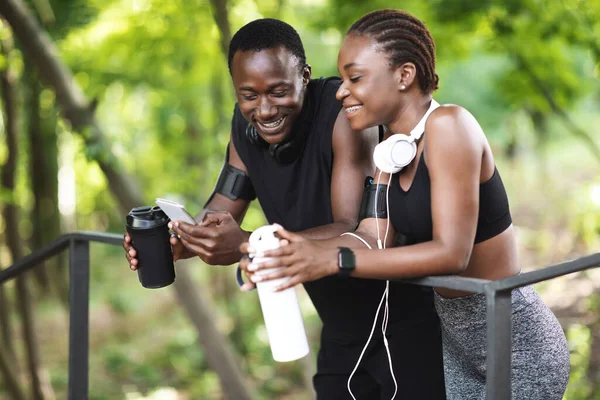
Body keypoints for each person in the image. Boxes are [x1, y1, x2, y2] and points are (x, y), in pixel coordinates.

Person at [240, 9, 571, 400]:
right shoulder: (389, 156)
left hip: (513, 343)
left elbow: (452, 254)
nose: (341, 92)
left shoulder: (450, 126)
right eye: (342, 79)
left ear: (404, 75)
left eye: (355, 78)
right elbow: (370, 238)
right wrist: (291, 254)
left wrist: (332, 261)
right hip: (459, 348)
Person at [123, 18, 446, 399]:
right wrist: (183, 241)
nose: (263, 109)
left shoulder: (344, 115)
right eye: (248, 95)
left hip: (401, 321)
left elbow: (352, 226)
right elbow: (220, 211)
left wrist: (248, 243)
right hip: (340, 326)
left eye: (278, 91)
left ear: (305, 76)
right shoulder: (244, 130)